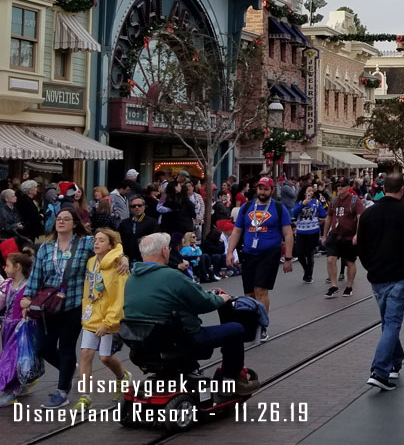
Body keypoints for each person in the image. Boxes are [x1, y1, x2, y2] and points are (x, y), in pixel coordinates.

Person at [123, 233, 258, 394]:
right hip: (179, 340)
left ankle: (186, 371)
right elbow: (203, 303)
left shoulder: (132, 278)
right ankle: (233, 379)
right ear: (165, 251)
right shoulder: (172, 276)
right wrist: (221, 299)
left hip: (142, 344)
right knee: (235, 329)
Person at [20, 209, 129, 408]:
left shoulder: (85, 243)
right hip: (49, 306)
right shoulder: (45, 247)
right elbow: (36, 275)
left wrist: (123, 258)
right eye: (59, 219)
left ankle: (63, 392)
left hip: (75, 304)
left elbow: (111, 246)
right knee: (44, 347)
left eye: (66, 219)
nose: (61, 222)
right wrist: (27, 297)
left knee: (70, 348)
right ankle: (68, 371)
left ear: (74, 223)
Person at [357, 173, 404, 392]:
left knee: (388, 320)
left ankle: (395, 361)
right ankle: (380, 370)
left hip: (378, 276)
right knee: (392, 321)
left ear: (382, 188)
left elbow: (362, 247)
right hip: (401, 276)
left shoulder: (368, 214)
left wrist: (370, 267)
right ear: (402, 189)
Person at [225, 176, 294, 341]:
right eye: (260, 188)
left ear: (271, 190)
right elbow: (237, 231)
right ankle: (251, 323)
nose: (262, 192)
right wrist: (229, 252)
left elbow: (288, 233)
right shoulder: (247, 207)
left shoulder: (278, 208)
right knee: (249, 294)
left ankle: (263, 325)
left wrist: (289, 258)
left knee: (260, 290)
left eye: (266, 189)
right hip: (249, 253)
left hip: (269, 253)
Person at [73, 227, 130, 412]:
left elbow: (120, 297)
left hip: (109, 319)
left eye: (102, 240)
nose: (96, 243)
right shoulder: (91, 262)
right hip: (91, 316)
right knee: (85, 354)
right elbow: (89, 289)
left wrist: (108, 322)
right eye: (95, 239)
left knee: (105, 357)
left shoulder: (119, 266)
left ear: (111, 245)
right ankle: (85, 396)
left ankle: (123, 378)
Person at [0, 248, 33, 405]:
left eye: (7, 265)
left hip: (20, 328)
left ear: (17, 267)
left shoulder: (28, 286)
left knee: (10, 359)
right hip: (7, 327)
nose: (4, 268)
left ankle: (9, 391)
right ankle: (19, 384)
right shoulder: (7, 285)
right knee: (11, 358)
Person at [324, 180, 364, 298]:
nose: (339, 188)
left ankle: (349, 287)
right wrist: (325, 235)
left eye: (342, 186)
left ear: (348, 187)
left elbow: (359, 218)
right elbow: (329, 217)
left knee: (350, 262)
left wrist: (357, 234)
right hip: (335, 235)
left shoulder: (354, 200)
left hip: (349, 237)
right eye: (337, 186)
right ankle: (334, 286)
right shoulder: (334, 200)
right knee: (331, 260)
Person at [293, 185, 327, 283]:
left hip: (313, 231)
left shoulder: (316, 202)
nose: (311, 192)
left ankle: (309, 274)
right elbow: (294, 213)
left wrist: (322, 220)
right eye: (309, 191)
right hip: (301, 231)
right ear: (304, 192)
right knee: (299, 253)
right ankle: (306, 269)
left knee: (309, 253)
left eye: (312, 191)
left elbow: (324, 214)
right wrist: (302, 204)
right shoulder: (299, 202)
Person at [117, 194, 159, 264]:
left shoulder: (152, 222)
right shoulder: (124, 223)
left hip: (144, 260)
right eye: (133, 206)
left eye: (139, 205)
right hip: (127, 260)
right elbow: (118, 240)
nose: (137, 207)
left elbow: (156, 241)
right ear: (130, 208)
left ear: (144, 207)